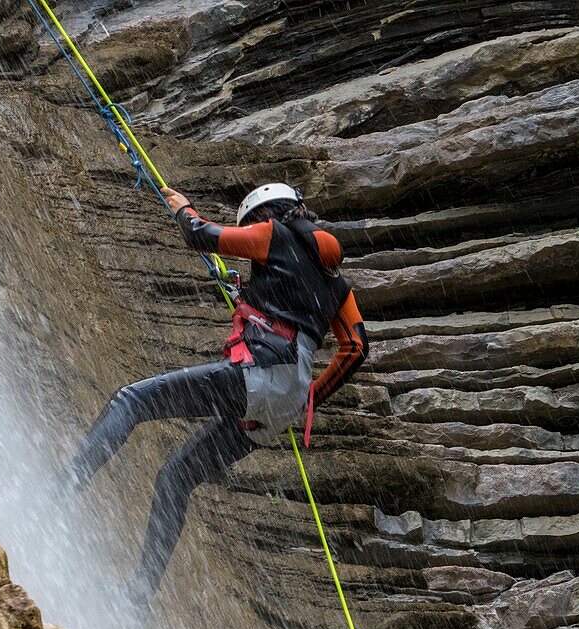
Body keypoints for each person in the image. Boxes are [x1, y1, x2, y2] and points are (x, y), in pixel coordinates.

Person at [66, 183, 368, 605]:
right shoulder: (337, 283)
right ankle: (136, 600)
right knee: (175, 479)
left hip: (258, 372)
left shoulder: (272, 233)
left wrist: (180, 205)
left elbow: (200, 234)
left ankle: (59, 495)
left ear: (267, 215)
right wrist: (308, 396)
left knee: (131, 401)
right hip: (281, 403)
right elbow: (355, 348)